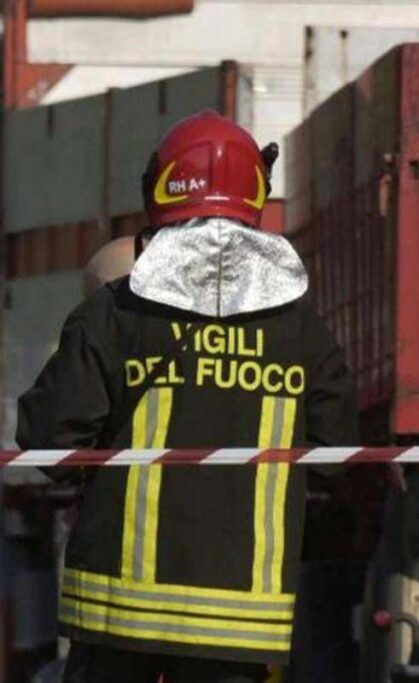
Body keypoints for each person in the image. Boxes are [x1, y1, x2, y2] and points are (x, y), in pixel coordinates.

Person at [17, 110, 356, 683]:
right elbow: (335, 455)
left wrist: (98, 486)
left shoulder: (117, 313)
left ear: (160, 191)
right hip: (241, 619)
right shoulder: (302, 331)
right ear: (255, 196)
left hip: (119, 614)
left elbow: (49, 437)